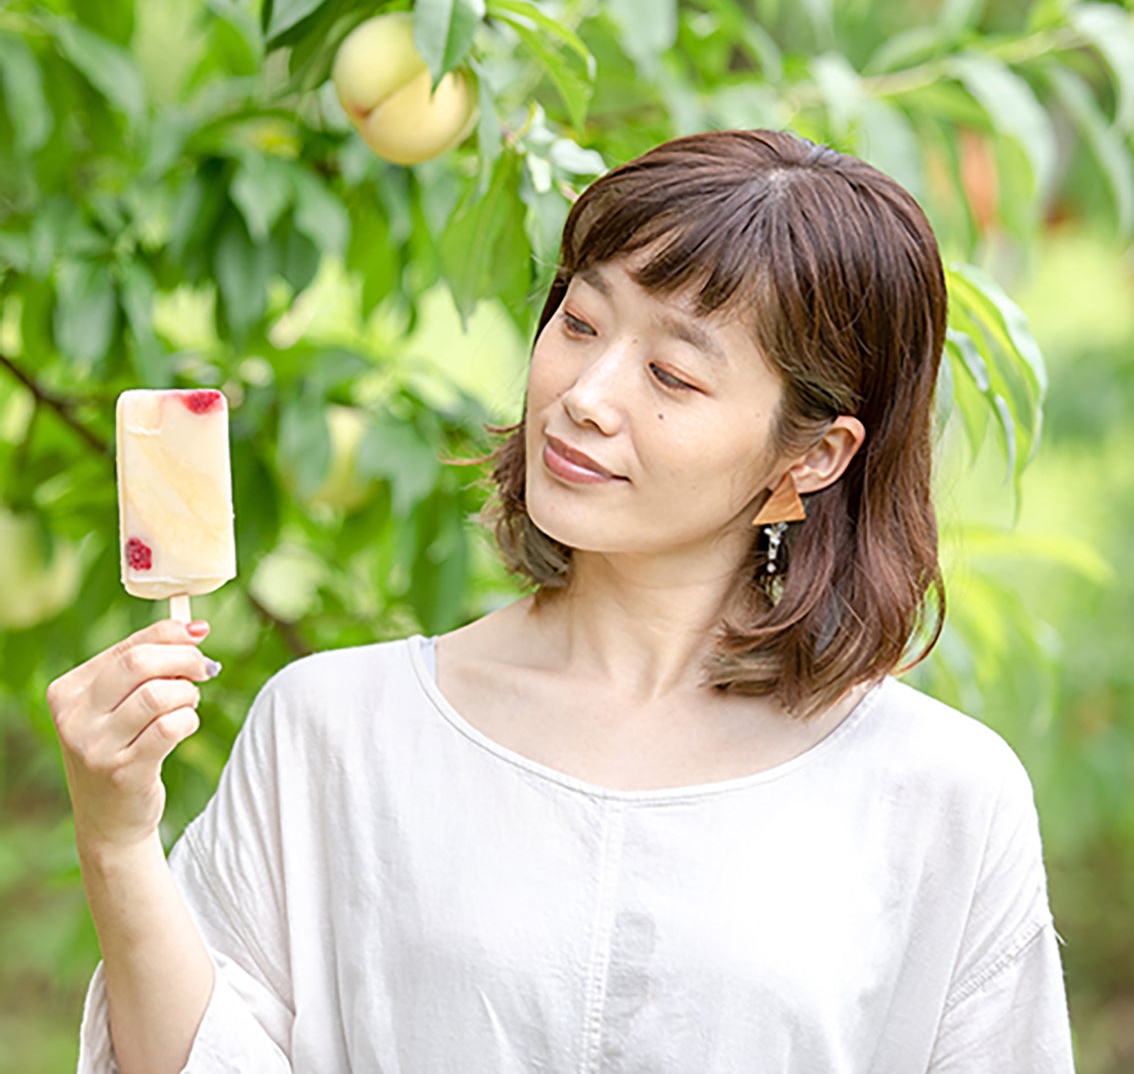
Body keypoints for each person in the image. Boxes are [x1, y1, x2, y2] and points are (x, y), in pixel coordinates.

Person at [52, 129, 1074, 1073]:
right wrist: (117, 838)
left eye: (672, 374)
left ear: (813, 455)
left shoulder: (940, 797)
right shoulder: (333, 729)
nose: (585, 393)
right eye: (579, 323)